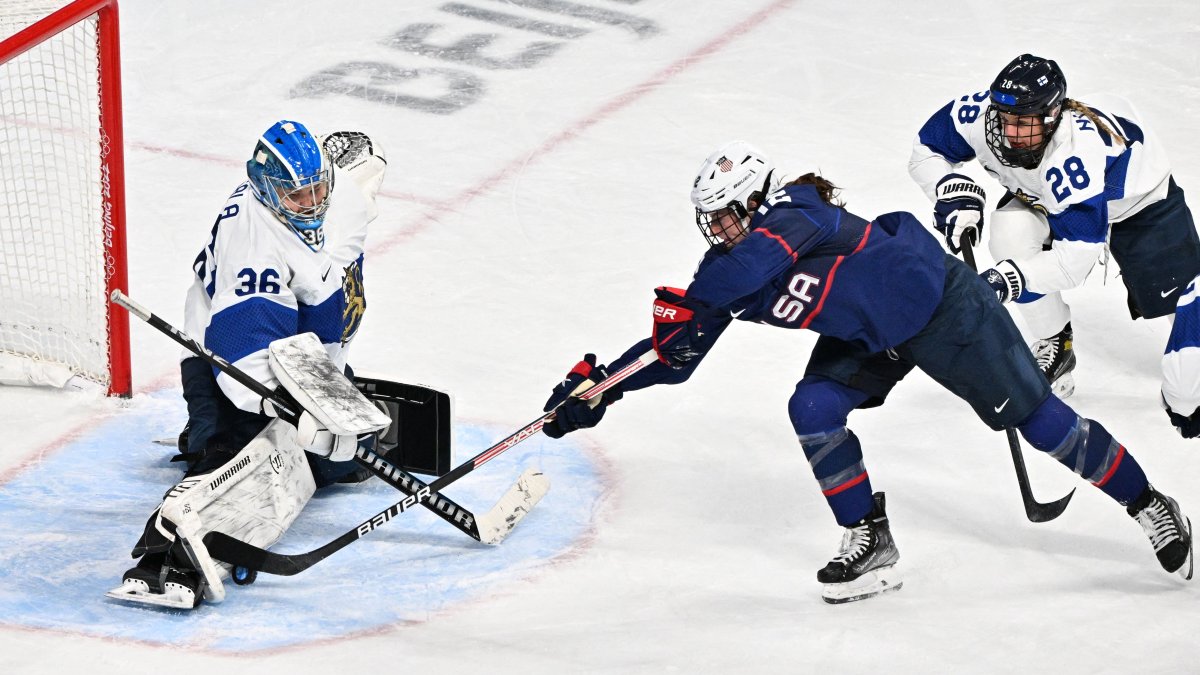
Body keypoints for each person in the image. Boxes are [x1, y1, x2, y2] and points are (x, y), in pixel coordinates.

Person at [540, 140, 1193, 603]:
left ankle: (1149, 504)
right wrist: (599, 389)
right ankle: (869, 537)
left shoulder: (792, 214)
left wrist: (690, 308)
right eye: (713, 221)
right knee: (813, 408)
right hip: (868, 333)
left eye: (729, 215)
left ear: (757, 199)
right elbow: (676, 357)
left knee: (1045, 422)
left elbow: (738, 277)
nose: (720, 230)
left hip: (942, 306)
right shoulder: (728, 268)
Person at [107, 120, 388, 609]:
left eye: (320, 187)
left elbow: (355, 187)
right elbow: (245, 354)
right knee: (232, 451)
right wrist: (293, 410)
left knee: (325, 463)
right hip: (225, 358)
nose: (313, 203)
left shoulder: (342, 195)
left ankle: (228, 441)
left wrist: (331, 401)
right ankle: (166, 549)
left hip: (302, 348)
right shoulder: (253, 245)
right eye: (298, 195)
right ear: (266, 189)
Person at [908, 54, 1200, 438]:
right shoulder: (978, 114)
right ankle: (1055, 344)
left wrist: (1005, 280)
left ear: (1052, 116)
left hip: (1140, 204)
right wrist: (950, 189)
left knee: (1188, 324)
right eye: (1005, 119)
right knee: (1009, 233)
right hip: (1045, 198)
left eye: (1023, 123)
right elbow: (925, 150)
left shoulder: (1073, 156)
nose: (1010, 133)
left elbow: (1076, 260)